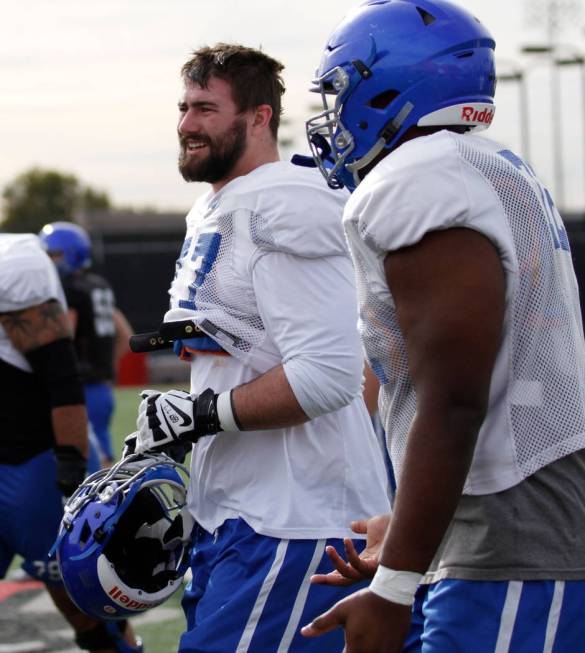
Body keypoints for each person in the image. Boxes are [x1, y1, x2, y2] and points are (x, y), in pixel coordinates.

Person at [300, 1, 585, 652]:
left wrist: (393, 587)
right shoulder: (483, 169)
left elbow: (456, 402)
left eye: (339, 92)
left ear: (390, 83)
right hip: (504, 521)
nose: (332, 115)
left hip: (513, 535)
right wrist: (405, 527)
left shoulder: (420, 178)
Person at [130, 43, 390, 653]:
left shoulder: (284, 204)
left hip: (297, 520)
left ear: (259, 117)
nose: (187, 125)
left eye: (206, 109)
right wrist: (178, 421)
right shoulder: (218, 205)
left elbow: (329, 376)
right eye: (184, 107)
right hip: (244, 513)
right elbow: (243, 352)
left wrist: (199, 417)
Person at [0, 233, 142, 652]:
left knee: (85, 603)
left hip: (31, 467)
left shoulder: (14, 267)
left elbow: (61, 376)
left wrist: (68, 463)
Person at [39, 221, 134, 470]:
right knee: (102, 459)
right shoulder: (98, 285)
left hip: (79, 390)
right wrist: (105, 366)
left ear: (72, 254)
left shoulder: (69, 289)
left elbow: (63, 338)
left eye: (54, 254)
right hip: (100, 387)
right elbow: (125, 334)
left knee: (89, 465)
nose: (49, 260)